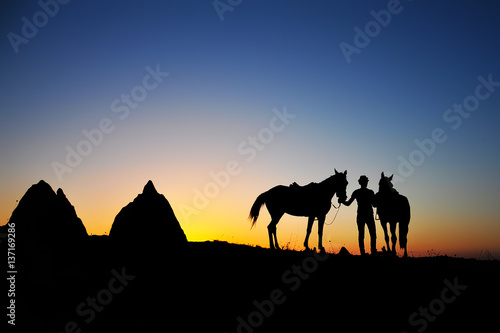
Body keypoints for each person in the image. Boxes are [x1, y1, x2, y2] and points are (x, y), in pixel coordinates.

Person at [342, 175, 377, 255]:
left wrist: (342, 201)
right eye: (366, 181)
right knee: (373, 234)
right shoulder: (370, 192)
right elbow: (374, 204)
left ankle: (363, 253)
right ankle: (373, 252)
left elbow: (348, 203)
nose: (366, 183)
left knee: (361, 234)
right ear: (366, 182)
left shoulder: (356, 192)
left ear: (359, 183)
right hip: (368, 215)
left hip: (361, 215)